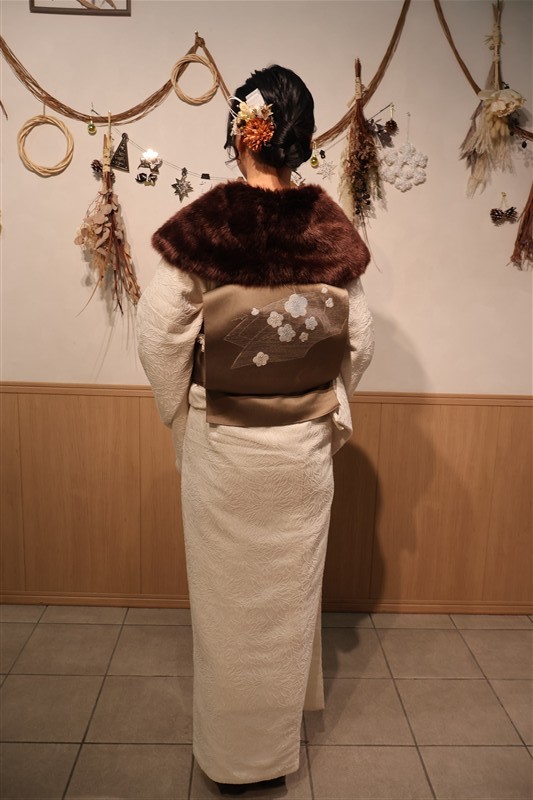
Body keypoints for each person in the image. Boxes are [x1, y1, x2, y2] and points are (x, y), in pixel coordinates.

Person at [136, 64, 375, 796]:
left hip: (227, 447)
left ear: (244, 131)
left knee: (228, 609)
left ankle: (231, 759)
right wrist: (326, 404)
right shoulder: (328, 227)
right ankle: (273, 749)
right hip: (300, 451)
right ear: (295, 139)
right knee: (285, 602)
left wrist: (183, 414)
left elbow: (160, 336)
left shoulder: (209, 224)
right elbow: (360, 341)